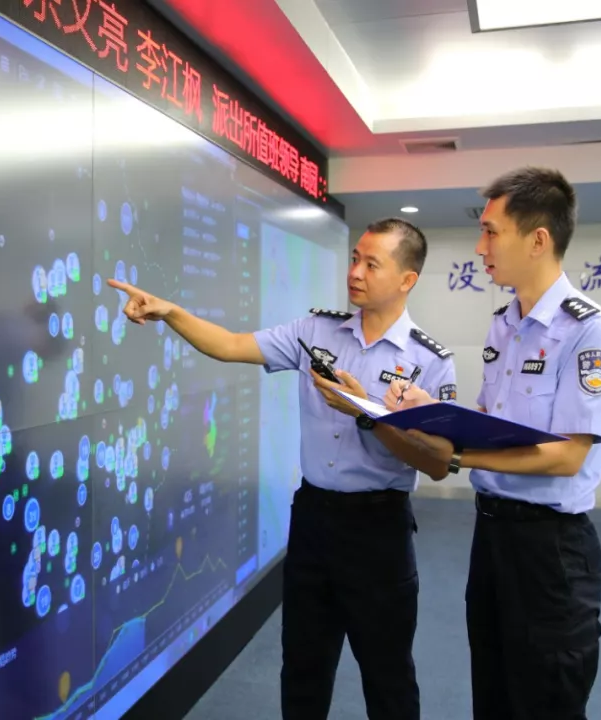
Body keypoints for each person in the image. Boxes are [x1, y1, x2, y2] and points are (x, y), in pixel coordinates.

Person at [108, 217, 457, 720]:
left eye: (371, 264)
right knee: (302, 670)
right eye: (354, 258)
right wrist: (170, 313)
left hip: (379, 529)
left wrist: (366, 414)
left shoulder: (430, 361)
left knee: (388, 678)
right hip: (314, 519)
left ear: (407, 280)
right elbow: (230, 345)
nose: (355, 272)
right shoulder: (315, 331)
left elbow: (439, 463)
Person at [381, 167, 601, 720]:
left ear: (538, 240)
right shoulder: (505, 323)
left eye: (491, 232)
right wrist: (428, 408)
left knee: (546, 699)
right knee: (492, 693)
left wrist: (457, 457)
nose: (479, 246)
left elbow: (568, 454)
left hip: (551, 551)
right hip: (491, 537)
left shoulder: (589, 330)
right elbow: (493, 420)